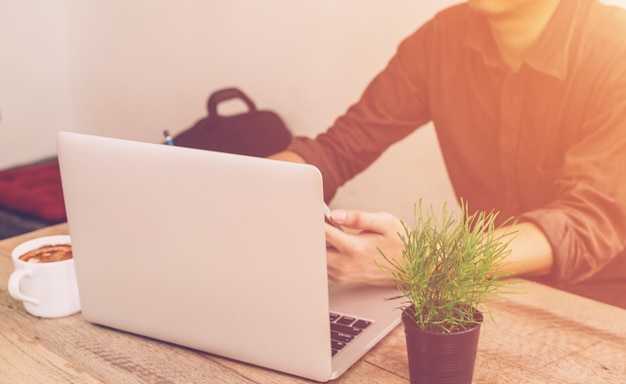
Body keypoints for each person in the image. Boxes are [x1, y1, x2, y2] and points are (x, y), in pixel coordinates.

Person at [270, 0, 626, 306]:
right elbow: (338, 149)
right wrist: (252, 186)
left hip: (601, 306)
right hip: (482, 289)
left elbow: (585, 225)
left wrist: (423, 260)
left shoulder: (615, 50)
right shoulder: (441, 39)